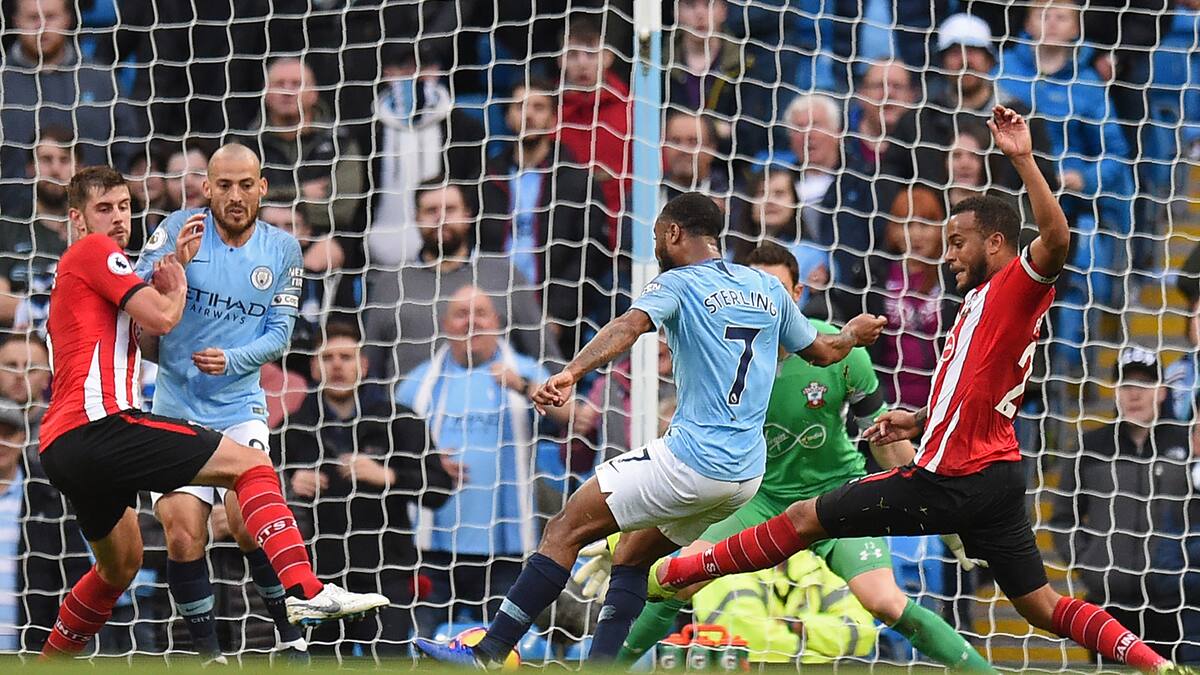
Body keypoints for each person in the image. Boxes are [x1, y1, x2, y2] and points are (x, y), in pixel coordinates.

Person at [650, 107, 1194, 675]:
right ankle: (1158, 667)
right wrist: (917, 420)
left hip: (950, 476)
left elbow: (1056, 239)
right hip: (996, 473)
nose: (947, 253)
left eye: (958, 242)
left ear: (997, 243)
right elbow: (971, 394)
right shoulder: (977, 304)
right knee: (1040, 604)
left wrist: (1023, 160)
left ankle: (683, 572)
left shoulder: (1017, 284)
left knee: (808, 515)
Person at [413, 192, 886, 666]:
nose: (657, 244)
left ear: (674, 232)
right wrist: (853, 333)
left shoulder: (678, 281)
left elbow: (628, 326)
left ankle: (489, 652)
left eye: (658, 234)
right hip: (744, 477)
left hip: (693, 460)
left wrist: (571, 373)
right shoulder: (766, 288)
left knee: (564, 527)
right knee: (634, 555)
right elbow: (825, 352)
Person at [580, 242, 990, 671]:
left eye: (776, 290)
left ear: (796, 294)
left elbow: (885, 441)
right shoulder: (721, 356)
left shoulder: (842, 354)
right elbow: (685, 459)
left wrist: (944, 516)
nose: (766, 301)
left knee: (884, 601)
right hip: (757, 497)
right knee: (681, 576)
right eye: (755, 289)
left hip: (834, 495)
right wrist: (629, 536)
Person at [35, 165, 388, 658]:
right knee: (251, 465)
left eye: (125, 207)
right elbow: (163, 317)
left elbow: (140, 333)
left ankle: (47, 663)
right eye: (104, 209)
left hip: (61, 446)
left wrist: (175, 266)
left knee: (120, 566)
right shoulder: (95, 251)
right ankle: (306, 591)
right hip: (100, 426)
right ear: (76, 218)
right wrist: (179, 282)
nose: (118, 219)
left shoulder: (87, 274)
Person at [132, 144, 311, 664]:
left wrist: (231, 359)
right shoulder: (177, 229)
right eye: (224, 185)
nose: (235, 196)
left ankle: (292, 639)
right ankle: (209, 657)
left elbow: (279, 336)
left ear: (262, 187)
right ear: (207, 188)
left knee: (248, 523)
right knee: (183, 535)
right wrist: (175, 269)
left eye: (245, 185)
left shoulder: (283, 249)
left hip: (239, 408)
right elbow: (135, 300)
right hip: (175, 406)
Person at [396, 285, 579, 637]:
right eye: (461, 314)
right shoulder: (417, 383)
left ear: (496, 321)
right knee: (419, 644)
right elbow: (393, 454)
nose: (471, 322)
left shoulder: (525, 370)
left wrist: (523, 386)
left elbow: (575, 416)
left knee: (503, 647)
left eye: (480, 313)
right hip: (433, 550)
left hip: (506, 550)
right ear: (445, 324)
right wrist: (428, 464)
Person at [278, 321, 453, 657]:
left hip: (386, 574)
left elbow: (440, 489)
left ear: (364, 364)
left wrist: (388, 477)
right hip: (318, 578)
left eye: (346, 357)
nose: (337, 365)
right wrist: (290, 483)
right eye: (328, 358)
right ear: (314, 367)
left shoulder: (400, 420)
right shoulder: (292, 428)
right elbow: (264, 490)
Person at [1051, 347, 1193, 660]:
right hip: (1107, 606)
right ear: (1115, 391)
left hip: (1174, 607)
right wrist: (1089, 565)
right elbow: (1063, 518)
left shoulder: (1185, 444)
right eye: (1126, 384)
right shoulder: (1090, 447)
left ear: (1162, 391)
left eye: (1144, 384)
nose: (1134, 394)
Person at [366, 181, 559, 380]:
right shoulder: (391, 284)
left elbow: (545, 354)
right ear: (416, 218)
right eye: (431, 211)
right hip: (408, 399)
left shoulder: (504, 275)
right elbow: (370, 366)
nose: (440, 218)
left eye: (450, 209)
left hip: (493, 397)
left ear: (468, 215)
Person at [478, 78, 606, 358]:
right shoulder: (487, 179)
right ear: (508, 116)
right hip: (492, 311)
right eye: (520, 106)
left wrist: (558, 314)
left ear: (552, 117)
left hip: (554, 316)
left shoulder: (577, 181)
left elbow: (589, 254)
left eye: (538, 107)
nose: (529, 115)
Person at [365, 43, 485, 267]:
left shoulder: (466, 128)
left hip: (449, 255)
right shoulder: (367, 131)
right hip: (377, 258)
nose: (416, 75)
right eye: (405, 67)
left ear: (438, 70)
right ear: (387, 72)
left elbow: (474, 192)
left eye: (424, 66)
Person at [230, 58, 365, 234]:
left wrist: (267, 202)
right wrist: (301, 192)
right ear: (266, 93)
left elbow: (341, 209)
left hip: (319, 240)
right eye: (279, 84)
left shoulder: (340, 142)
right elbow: (231, 201)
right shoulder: (243, 145)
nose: (287, 91)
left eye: (296, 84)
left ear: (314, 93)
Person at [690, 550, 879, 664]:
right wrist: (823, 659)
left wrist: (799, 626)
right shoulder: (724, 567)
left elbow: (863, 633)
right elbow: (753, 646)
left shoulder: (819, 565)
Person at [0, 126, 78, 330]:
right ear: (30, 168)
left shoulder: (90, 231)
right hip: (20, 342)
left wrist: (27, 307)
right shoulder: (8, 227)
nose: (55, 169)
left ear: (78, 168)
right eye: (46, 160)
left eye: (64, 160)